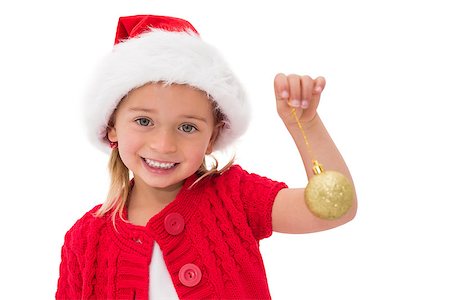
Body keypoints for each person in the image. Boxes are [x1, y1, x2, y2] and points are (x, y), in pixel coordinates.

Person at [56, 14, 357, 299]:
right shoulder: (84, 239)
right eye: (144, 121)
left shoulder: (234, 197)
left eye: (187, 127)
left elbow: (335, 210)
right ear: (112, 126)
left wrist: (305, 125)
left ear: (212, 137)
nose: (163, 145)